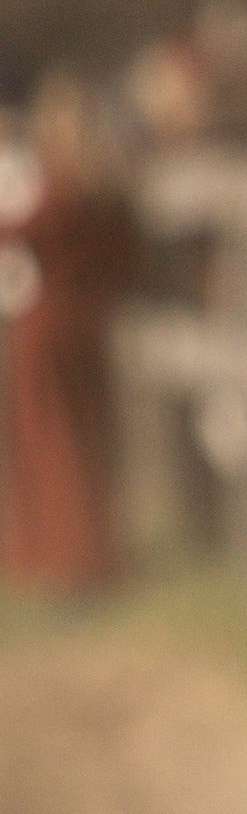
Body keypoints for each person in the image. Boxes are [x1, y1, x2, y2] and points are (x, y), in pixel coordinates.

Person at [0, 70, 138, 592]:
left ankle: (66, 560)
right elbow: (125, 257)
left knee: (50, 444)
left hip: (46, 326)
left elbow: (19, 230)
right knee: (83, 439)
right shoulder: (107, 185)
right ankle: (85, 554)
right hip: (91, 323)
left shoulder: (61, 187)